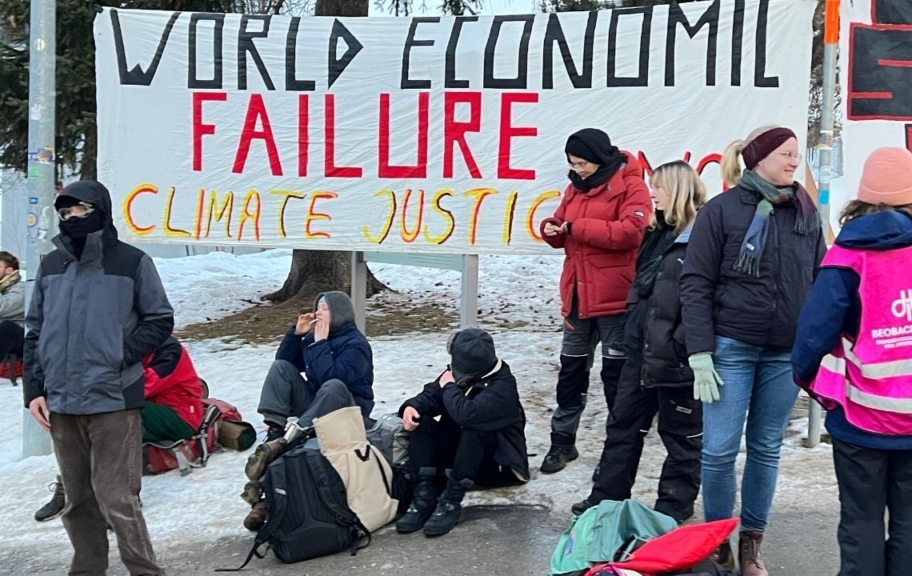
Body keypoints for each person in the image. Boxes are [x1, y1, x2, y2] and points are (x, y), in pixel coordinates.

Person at [791, 147, 912, 576]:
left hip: (861, 416)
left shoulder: (845, 257)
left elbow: (812, 333)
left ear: (865, 196)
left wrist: (808, 381)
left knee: (860, 523)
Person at [680, 126, 826, 575]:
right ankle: (718, 539)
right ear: (759, 158)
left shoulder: (806, 211)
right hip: (732, 348)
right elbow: (696, 283)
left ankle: (751, 544)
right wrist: (701, 351)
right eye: (785, 153)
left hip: (786, 352)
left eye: (796, 154)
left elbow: (822, 278)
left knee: (765, 448)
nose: (793, 162)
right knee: (720, 451)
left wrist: (818, 344)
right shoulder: (721, 211)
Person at [23, 180, 174, 575]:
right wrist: (34, 389)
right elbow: (35, 329)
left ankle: (145, 571)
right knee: (78, 502)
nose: (72, 219)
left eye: (81, 211)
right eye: (66, 213)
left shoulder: (131, 261)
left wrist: (118, 356)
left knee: (118, 499)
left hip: (113, 399)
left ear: (101, 211)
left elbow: (160, 319)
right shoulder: (51, 264)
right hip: (61, 402)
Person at [571, 161, 706, 524]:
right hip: (641, 352)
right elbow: (644, 292)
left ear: (676, 189)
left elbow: (703, 299)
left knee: (681, 439)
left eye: (658, 186)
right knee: (622, 426)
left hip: (678, 358)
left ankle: (671, 512)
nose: (652, 193)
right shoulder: (656, 233)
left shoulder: (703, 236)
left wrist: (681, 345)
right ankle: (605, 500)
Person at [538, 128, 652, 474]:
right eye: (573, 163)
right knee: (571, 372)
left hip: (615, 298)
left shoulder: (631, 185)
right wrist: (552, 228)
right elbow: (563, 222)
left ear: (600, 157)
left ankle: (617, 450)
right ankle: (562, 442)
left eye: (583, 162)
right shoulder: (575, 187)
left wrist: (575, 227)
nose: (578, 169)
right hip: (576, 296)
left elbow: (631, 232)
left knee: (616, 377)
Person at [34, 335, 204, 523]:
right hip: (144, 406)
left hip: (179, 415)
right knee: (82, 417)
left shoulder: (169, 350)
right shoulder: (118, 345)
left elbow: (138, 387)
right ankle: (71, 486)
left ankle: (124, 496)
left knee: (117, 416)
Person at [242, 291, 373, 529]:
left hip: (348, 410)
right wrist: (297, 334)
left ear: (339, 313)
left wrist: (320, 343)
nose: (316, 313)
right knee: (280, 367)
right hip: (316, 407)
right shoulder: (316, 336)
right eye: (317, 308)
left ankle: (292, 436)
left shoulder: (357, 345)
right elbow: (286, 364)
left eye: (323, 308)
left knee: (333, 386)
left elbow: (331, 379)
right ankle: (275, 432)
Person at [396, 328, 528, 537]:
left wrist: (449, 386)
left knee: (475, 428)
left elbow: (466, 414)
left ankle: (451, 500)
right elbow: (432, 394)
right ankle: (424, 495)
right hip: (461, 458)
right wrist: (412, 407)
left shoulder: (503, 386)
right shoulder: (459, 374)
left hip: (498, 466)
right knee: (424, 422)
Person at [0, 251, 24, 367]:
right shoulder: (2, 288)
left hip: (21, 336)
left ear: (9, 270)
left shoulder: (22, 289)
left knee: (7, 327)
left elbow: (2, 307)